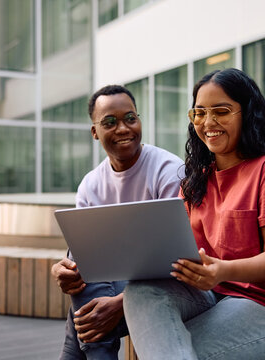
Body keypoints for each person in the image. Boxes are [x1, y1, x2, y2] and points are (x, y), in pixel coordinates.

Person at [122, 68, 265, 360]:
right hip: (212, 295)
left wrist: (221, 270)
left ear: (248, 113)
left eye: (221, 111)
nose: (208, 122)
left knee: (170, 351)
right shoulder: (196, 180)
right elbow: (177, 251)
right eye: (199, 113)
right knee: (141, 291)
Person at [51, 85, 184, 359]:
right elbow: (85, 258)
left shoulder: (168, 171)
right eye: (110, 122)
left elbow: (179, 260)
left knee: (81, 323)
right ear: (94, 132)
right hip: (107, 286)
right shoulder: (90, 185)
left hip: (171, 287)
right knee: (81, 272)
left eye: (130, 118)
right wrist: (65, 271)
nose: (123, 128)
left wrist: (122, 303)